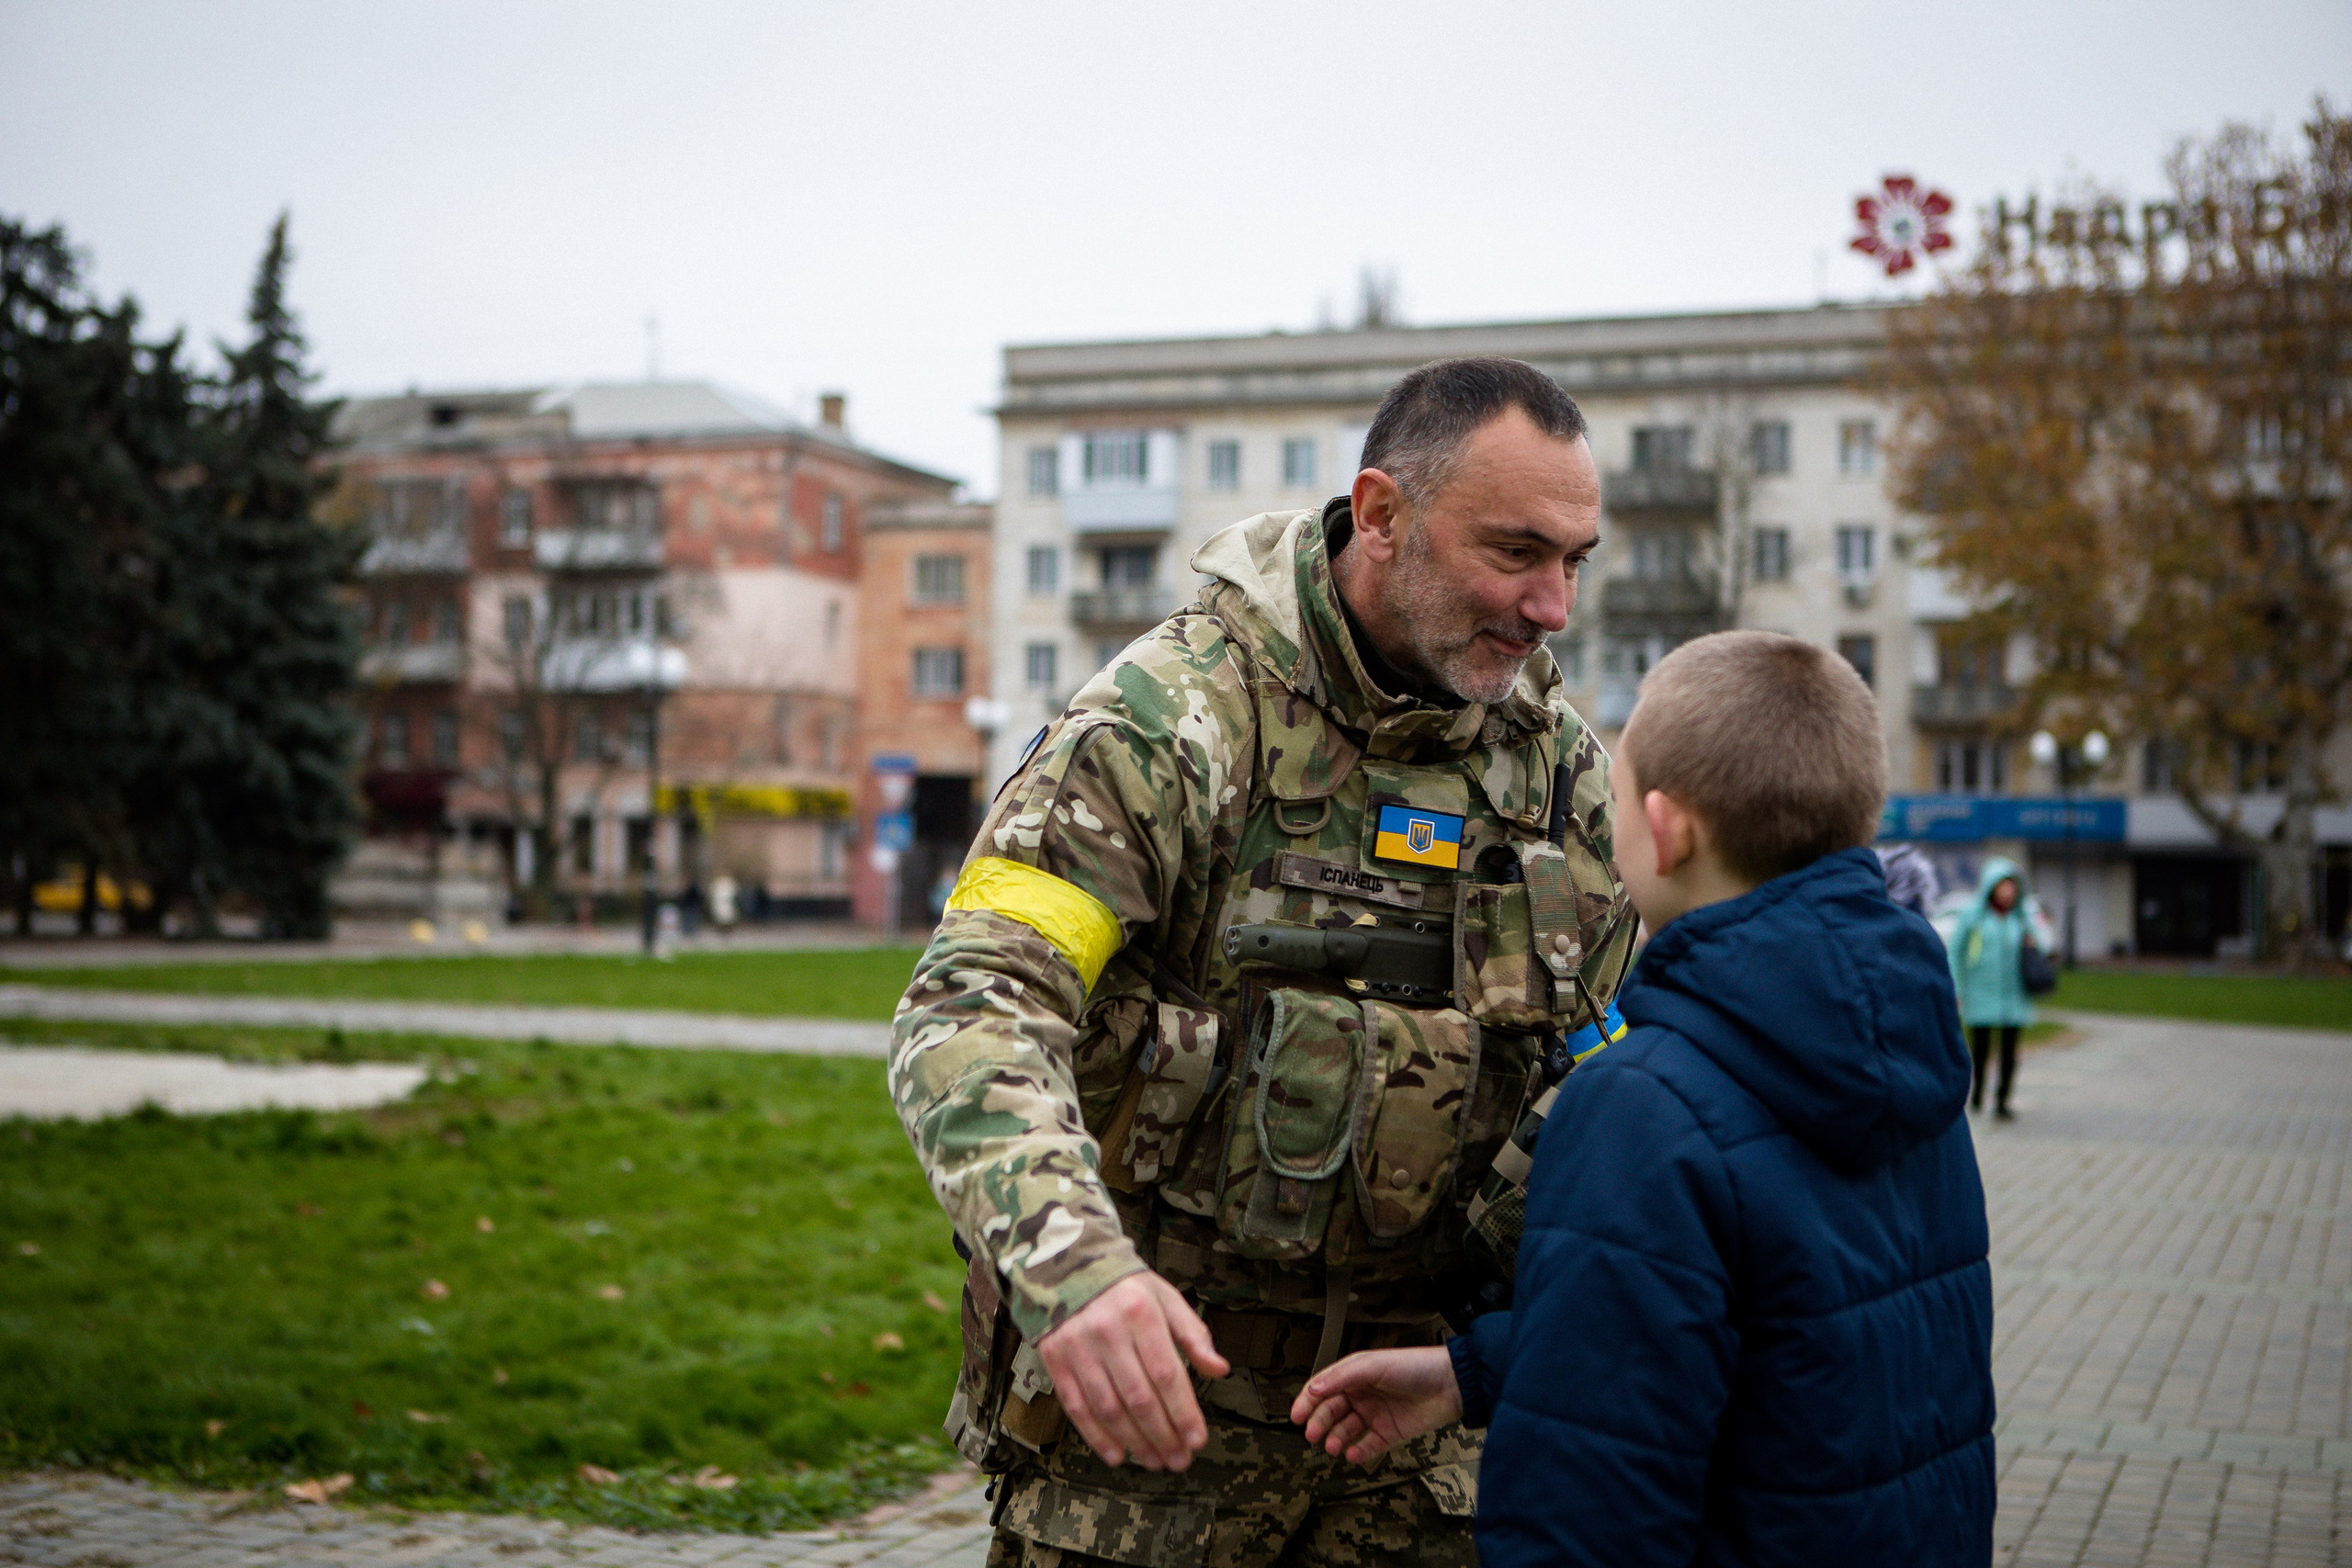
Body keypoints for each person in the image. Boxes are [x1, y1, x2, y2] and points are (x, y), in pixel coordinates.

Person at [886, 357, 1637, 1568]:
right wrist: (1074, 1272)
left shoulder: (1557, 775)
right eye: (1516, 552)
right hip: (1147, 1470)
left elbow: (1611, 1072)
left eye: (1575, 560)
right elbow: (974, 1003)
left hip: (1418, 1466)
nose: (1554, 605)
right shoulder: (1169, 717)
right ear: (1383, 514)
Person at [1289, 630, 1996, 1567]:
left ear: (1665, 830)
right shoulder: (1911, 1059)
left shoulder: (1640, 1107)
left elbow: (1581, 1518)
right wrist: (1484, 1370)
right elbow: (1809, 1335)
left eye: (1612, 799)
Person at [1948, 856, 2039, 1119]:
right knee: (1981, 1049)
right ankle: (1976, 1095)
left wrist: (2035, 940)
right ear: (1990, 887)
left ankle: (2002, 1100)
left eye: (2012, 887)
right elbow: (1956, 953)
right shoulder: (1973, 916)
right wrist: (1958, 989)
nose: (2008, 892)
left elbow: (2043, 948)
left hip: (2013, 996)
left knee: (2010, 1051)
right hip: (1981, 994)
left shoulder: (2021, 917)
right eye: (2002, 886)